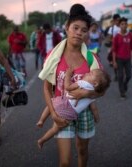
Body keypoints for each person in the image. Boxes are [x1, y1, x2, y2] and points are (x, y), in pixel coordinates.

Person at [38, 4, 105, 167]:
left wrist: (85, 94)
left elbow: (101, 90)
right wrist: (53, 114)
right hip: (62, 112)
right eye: (75, 28)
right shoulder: (54, 56)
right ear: (67, 28)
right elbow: (47, 88)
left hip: (85, 112)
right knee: (65, 162)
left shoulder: (92, 58)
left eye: (84, 30)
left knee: (82, 150)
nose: (79, 33)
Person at [37, 68, 110, 149]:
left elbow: (68, 87)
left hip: (64, 102)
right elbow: (94, 109)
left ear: (95, 83)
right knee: (55, 129)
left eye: (90, 74)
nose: (87, 73)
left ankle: (41, 120)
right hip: (70, 113)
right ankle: (42, 140)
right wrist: (97, 119)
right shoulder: (92, 95)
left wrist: (68, 74)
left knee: (51, 103)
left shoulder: (83, 83)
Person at [112, 17, 132, 99]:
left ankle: (125, 84)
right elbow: (114, 50)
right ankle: (122, 92)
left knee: (129, 75)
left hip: (128, 58)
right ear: (119, 25)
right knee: (120, 76)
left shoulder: (130, 35)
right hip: (119, 59)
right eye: (122, 24)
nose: (124, 25)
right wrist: (114, 61)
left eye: (125, 24)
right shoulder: (117, 36)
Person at [106, 14, 121, 80]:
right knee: (114, 61)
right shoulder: (112, 28)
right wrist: (114, 41)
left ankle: (121, 74)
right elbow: (109, 38)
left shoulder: (122, 27)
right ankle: (116, 75)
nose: (119, 21)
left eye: (119, 20)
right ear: (114, 21)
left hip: (122, 47)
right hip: (114, 47)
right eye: (117, 20)